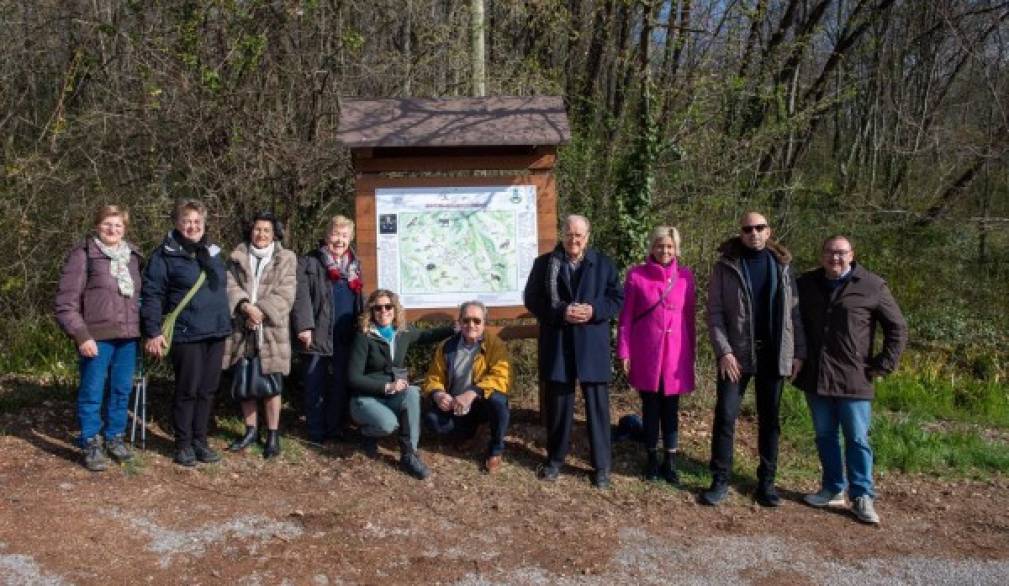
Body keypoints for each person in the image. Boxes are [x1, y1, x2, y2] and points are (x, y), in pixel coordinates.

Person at [795, 235, 907, 524]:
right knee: (824, 436)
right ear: (822, 255)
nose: (835, 258)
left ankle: (862, 496)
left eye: (841, 253)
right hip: (816, 377)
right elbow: (792, 322)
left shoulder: (872, 285)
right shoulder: (806, 284)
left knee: (857, 439)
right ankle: (833, 487)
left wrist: (884, 363)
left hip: (854, 377)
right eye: (830, 252)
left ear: (852, 255)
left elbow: (897, 327)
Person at [701, 211, 805, 507]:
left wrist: (799, 351)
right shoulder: (726, 265)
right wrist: (724, 351)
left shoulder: (783, 266)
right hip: (736, 355)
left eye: (759, 228)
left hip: (774, 353)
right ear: (741, 232)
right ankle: (720, 479)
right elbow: (715, 313)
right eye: (748, 229)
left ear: (769, 231)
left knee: (770, 420)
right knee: (725, 416)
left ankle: (766, 483)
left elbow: (794, 313)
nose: (754, 233)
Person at [523, 214, 623, 489]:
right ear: (562, 234)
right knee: (558, 408)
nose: (573, 239)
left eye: (579, 235)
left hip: (592, 346)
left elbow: (617, 298)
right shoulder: (544, 264)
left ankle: (602, 467)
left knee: (598, 410)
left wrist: (594, 310)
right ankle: (555, 460)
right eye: (569, 233)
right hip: (558, 345)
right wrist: (560, 311)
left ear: (587, 237)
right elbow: (531, 299)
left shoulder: (603, 264)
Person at [141, 199, 232, 467]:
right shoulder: (164, 255)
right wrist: (153, 331)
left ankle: (200, 440)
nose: (192, 226)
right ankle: (182, 443)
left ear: (204, 224)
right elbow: (152, 295)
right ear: (177, 223)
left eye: (197, 222)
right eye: (187, 221)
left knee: (207, 390)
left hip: (215, 331)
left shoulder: (214, 252)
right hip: (186, 332)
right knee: (187, 389)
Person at [55, 204, 144, 471]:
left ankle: (114, 437)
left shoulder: (133, 257)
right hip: (96, 338)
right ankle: (90, 441)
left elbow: (140, 298)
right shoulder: (84, 256)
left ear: (124, 229)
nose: (112, 229)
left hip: (128, 337)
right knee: (92, 392)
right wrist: (81, 336)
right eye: (107, 224)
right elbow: (65, 303)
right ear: (97, 225)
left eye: (118, 225)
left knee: (121, 390)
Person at [616, 226, 696, 484]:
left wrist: (690, 353)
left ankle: (670, 462)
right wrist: (624, 350)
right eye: (660, 246)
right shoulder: (636, 276)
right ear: (652, 247)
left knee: (671, 408)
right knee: (650, 407)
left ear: (676, 249)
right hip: (646, 351)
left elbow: (689, 318)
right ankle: (651, 459)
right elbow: (626, 317)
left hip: (675, 354)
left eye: (670, 246)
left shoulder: (685, 277)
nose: (665, 251)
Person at [347, 289, 453, 479]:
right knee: (389, 425)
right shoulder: (364, 336)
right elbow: (353, 378)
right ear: (371, 311)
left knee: (412, 392)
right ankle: (365, 433)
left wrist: (454, 330)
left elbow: (427, 335)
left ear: (395, 309)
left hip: (392, 397)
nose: (383, 311)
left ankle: (409, 454)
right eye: (378, 308)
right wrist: (386, 387)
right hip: (366, 399)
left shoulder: (402, 332)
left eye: (388, 306)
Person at [221, 212, 297, 459]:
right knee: (245, 382)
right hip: (242, 326)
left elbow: (286, 292)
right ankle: (251, 430)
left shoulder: (286, 258)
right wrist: (245, 307)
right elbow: (229, 286)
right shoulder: (237, 256)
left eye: (266, 230)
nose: (261, 234)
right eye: (257, 230)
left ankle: (273, 434)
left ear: (274, 233)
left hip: (272, 329)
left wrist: (260, 312)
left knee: (271, 384)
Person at [290, 215, 364, 444]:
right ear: (326, 236)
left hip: (345, 333)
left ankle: (334, 428)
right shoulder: (309, 261)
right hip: (317, 332)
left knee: (340, 383)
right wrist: (304, 326)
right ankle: (315, 431)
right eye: (335, 234)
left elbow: (360, 300)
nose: (339, 240)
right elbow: (300, 297)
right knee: (315, 383)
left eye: (344, 235)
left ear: (350, 238)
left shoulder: (355, 264)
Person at [423, 301, 511, 473]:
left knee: (498, 401)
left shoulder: (495, 345)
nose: (471, 325)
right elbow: (433, 377)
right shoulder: (447, 346)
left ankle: (496, 449)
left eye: (477, 321)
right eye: (466, 320)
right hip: (456, 405)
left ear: (484, 323)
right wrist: (438, 394)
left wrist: (473, 392)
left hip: (481, 402)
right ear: (460, 322)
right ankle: (470, 433)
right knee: (433, 421)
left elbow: (501, 377)